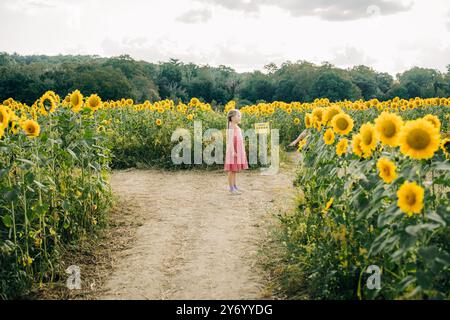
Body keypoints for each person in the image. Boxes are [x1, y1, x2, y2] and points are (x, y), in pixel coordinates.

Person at [224, 109, 248, 195]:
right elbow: (230, 140)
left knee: (234, 170)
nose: (239, 117)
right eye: (238, 116)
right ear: (232, 117)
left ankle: (234, 186)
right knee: (231, 170)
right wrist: (233, 151)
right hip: (232, 151)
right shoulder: (231, 126)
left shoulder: (236, 126)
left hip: (237, 149)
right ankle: (231, 188)